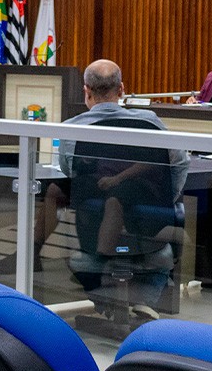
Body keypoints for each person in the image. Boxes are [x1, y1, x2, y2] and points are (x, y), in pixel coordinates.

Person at [60, 59, 190, 317]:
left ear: (86, 91)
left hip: (94, 219)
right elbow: (179, 163)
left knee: (82, 261)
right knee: (161, 255)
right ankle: (145, 300)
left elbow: (68, 170)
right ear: (121, 89)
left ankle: (106, 302)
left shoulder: (73, 127)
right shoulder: (150, 122)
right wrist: (166, 198)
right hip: (147, 210)